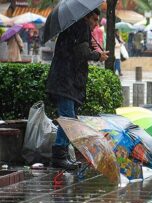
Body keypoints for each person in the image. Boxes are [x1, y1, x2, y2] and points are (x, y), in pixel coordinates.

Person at [46, 8, 109, 170]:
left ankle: (62, 156)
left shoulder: (75, 27)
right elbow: (82, 53)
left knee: (69, 119)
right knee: (68, 120)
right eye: (94, 20)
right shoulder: (80, 27)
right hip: (65, 81)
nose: (96, 24)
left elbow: (77, 50)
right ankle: (59, 157)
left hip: (65, 80)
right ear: (86, 17)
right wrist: (97, 55)